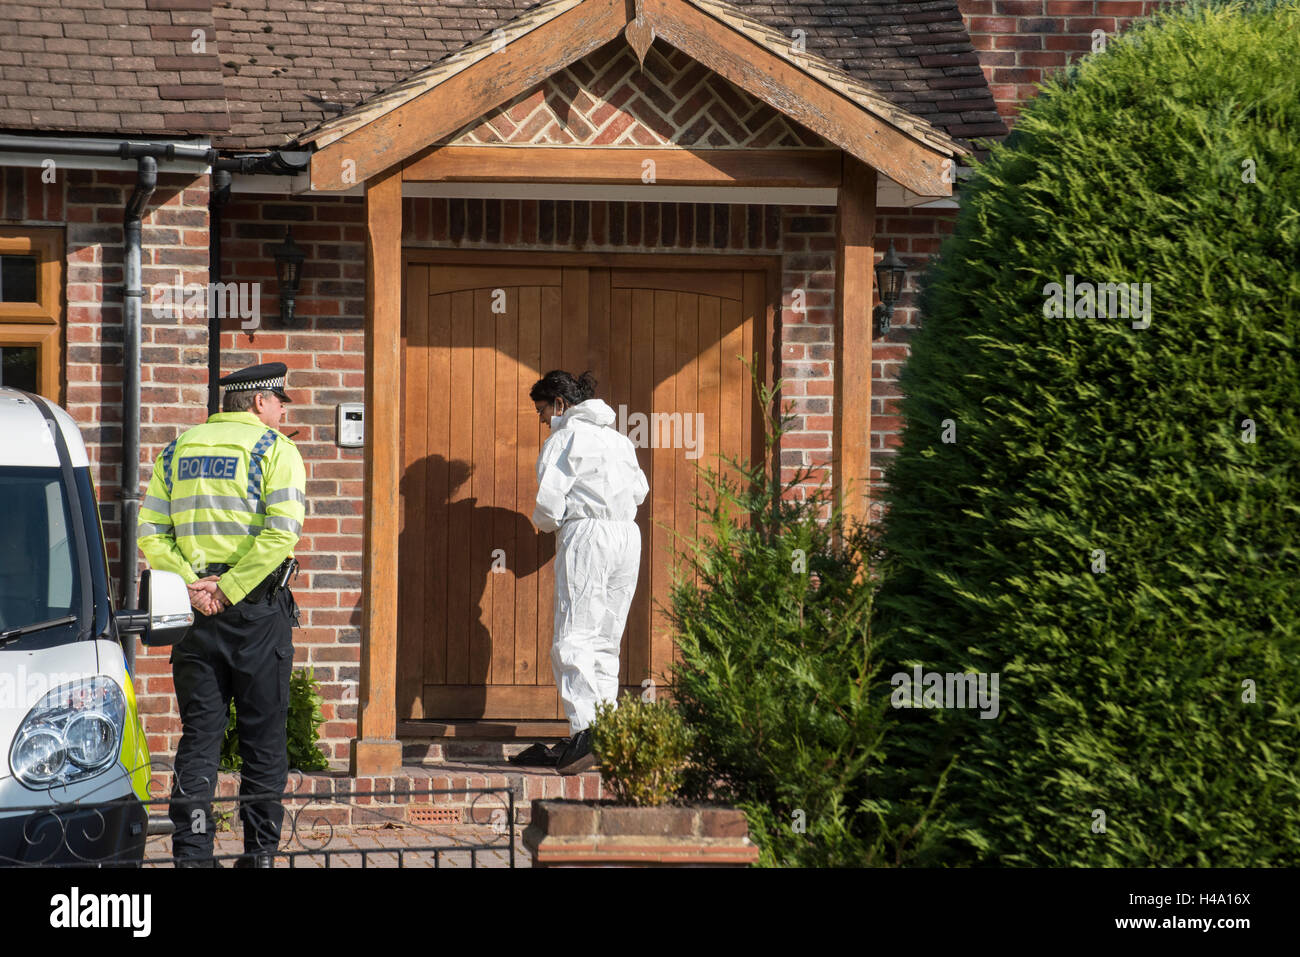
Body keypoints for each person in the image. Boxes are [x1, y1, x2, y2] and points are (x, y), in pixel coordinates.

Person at [137, 362, 306, 867]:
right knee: (263, 740)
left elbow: (151, 532)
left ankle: (191, 854)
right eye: (280, 402)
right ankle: (258, 856)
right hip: (254, 611)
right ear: (259, 402)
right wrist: (228, 589)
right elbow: (280, 534)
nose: (281, 410)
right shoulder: (276, 450)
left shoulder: (176, 450)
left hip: (195, 616)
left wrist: (193, 587)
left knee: (201, 738)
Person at [517, 370, 648, 775]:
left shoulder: (564, 437)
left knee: (573, 636)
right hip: (627, 534)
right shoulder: (620, 440)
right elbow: (640, 490)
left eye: (543, 410)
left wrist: (541, 523)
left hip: (588, 533)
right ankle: (605, 732)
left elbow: (551, 504)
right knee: (607, 641)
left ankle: (586, 732)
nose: (542, 420)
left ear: (560, 404)